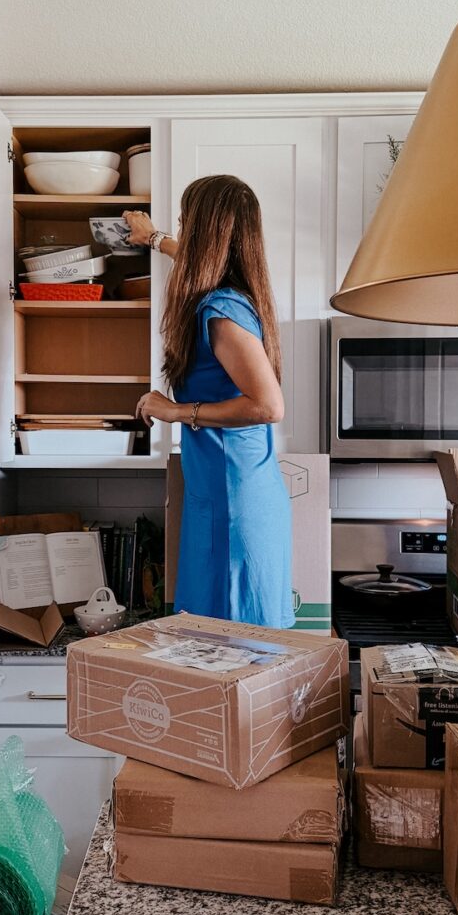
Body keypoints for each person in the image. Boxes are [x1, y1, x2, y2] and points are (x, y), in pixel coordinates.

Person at [124, 174, 293, 629]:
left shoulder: (221, 313)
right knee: (216, 647)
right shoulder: (228, 290)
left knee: (232, 654)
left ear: (206, 233)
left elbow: (268, 406)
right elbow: (193, 259)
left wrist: (175, 411)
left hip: (233, 505)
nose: (182, 230)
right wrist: (155, 238)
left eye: (185, 222)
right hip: (222, 494)